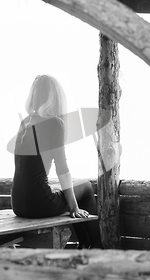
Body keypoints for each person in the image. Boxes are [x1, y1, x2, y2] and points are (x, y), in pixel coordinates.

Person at [10, 74, 102, 249]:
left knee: (69, 189)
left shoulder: (25, 122)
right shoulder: (54, 123)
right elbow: (62, 168)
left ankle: (85, 244)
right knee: (86, 187)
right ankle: (97, 246)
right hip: (39, 204)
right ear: (56, 97)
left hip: (18, 203)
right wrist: (74, 207)